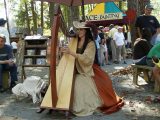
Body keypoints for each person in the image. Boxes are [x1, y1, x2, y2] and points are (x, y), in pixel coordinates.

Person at [61, 21, 124, 116]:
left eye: (81, 29)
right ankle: (62, 103)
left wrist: (71, 53)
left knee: (77, 85)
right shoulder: (75, 41)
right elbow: (71, 54)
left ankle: (73, 105)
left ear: (86, 31)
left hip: (87, 69)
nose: (79, 31)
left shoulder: (91, 44)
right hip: (76, 67)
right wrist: (64, 51)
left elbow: (86, 59)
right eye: (78, 29)